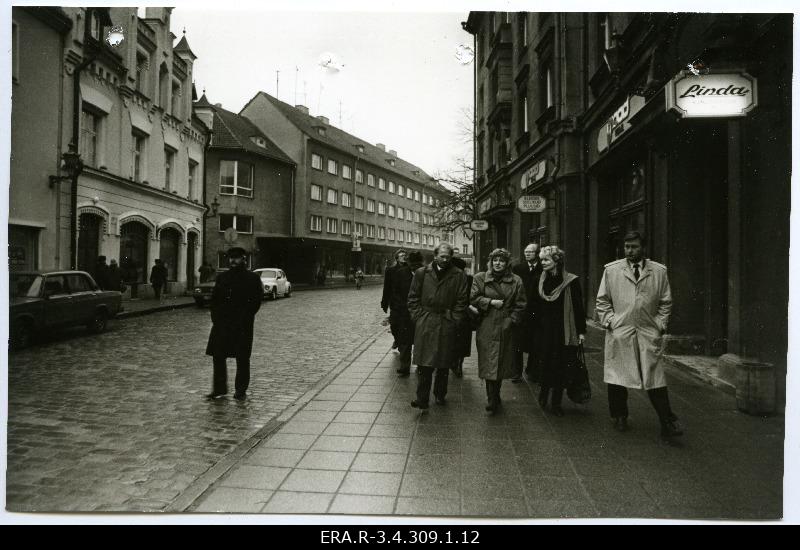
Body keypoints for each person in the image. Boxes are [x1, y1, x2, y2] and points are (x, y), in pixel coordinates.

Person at [595, 231, 682, 438]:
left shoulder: (658, 271)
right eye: (627, 247)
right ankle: (619, 416)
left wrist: (659, 325)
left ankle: (667, 421)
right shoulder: (612, 270)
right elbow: (602, 300)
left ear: (643, 247)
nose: (630, 251)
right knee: (618, 376)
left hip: (647, 330)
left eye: (634, 247)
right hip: (621, 330)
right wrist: (610, 322)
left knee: (655, 378)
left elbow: (665, 302)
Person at [408, 242, 469, 409]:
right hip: (426, 321)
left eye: (448, 256)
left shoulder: (458, 275)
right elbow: (413, 297)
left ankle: (440, 394)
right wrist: (418, 317)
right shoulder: (422, 273)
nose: (445, 259)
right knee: (424, 363)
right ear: (435, 256)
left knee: (443, 362)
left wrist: (454, 318)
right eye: (442, 256)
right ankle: (422, 398)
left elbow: (462, 300)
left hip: (446, 321)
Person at [471, 249, 527, 413]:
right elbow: (473, 298)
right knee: (489, 361)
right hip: (487, 324)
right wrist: (490, 302)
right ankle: (492, 399)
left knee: (500, 362)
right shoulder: (480, 278)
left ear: (507, 263)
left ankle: (495, 396)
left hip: (505, 325)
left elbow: (521, 304)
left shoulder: (516, 280)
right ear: (490, 262)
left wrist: (511, 320)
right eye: (495, 260)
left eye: (501, 261)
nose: (498, 263)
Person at [205, 247, 264, 401]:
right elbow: (215, 300)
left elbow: (256, 302)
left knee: (242, 358)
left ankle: (240, 390)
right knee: (218, 356)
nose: (233, 260)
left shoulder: (252, 278)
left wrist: (244, 317)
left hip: (242, 325)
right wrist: (215, 318)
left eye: (237, 258)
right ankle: (219, 389)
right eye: (231, 258)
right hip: (222, 324)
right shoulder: (222, 277)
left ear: (244, 259)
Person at [534, 246, 586, 417]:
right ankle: (543, 395)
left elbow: (578, 307)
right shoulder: (540, 280)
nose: (542, 263)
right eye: (541, 260)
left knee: (560, 366)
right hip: (544, 330)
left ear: (556, 261)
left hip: (563, 330)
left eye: (546, 260)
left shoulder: (570, 281)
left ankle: (556, 402)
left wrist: (581, 331)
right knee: (544, 363)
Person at [511, 243, 542, 383]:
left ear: (537, 253)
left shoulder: (543, 268)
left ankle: (531, 370)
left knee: (535, 343)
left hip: (536, 312)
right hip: (521, 310)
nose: (527, 254)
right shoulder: (518, 268)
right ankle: (516, 372)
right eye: (526, 251)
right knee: (517, 343)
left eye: (531, 252)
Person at [381, 250, 415, 376]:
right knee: (394, 327)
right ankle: (397, 339)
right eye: (401, 256)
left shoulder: (409, 270)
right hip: (394, 303)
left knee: (404, 332)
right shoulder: (390, 270)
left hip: (406, 305)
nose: (403, 257)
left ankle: (404, 359)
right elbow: (387, 287)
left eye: (405, 256)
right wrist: (384, 302)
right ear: (396, 258)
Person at [450, 256, 474, 378]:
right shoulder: (469, 279)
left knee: (455, 341)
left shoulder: (450, 279)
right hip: (464, 315)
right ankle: (458, 364)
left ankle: (456, 364)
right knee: (462, 341)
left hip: (458, 315)